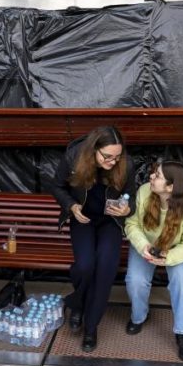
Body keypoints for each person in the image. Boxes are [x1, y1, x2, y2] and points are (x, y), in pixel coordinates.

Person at [48, 126, 136, 352]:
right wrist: (71, 206)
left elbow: (132, 197)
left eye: (117, 156)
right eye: (107, 156)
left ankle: (91, 327)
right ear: (94, 150)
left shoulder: (125, 163)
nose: (113, 161)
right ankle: (77, 304)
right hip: (83, 217)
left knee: (105, 268)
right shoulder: (74, 156)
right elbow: (57, 187)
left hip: (110, 222)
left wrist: (127, 210)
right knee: (85, 266)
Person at [124, 161, 183, 363]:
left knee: (182, 279)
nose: (151, 177)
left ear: (171, 187)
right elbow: (131, 224)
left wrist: (168, 257)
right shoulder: (144, 192)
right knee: (135, 280)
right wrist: (143, 246)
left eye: (157, 176)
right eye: (153, 173)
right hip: (146, 246)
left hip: (174, 249)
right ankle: (139, 317)